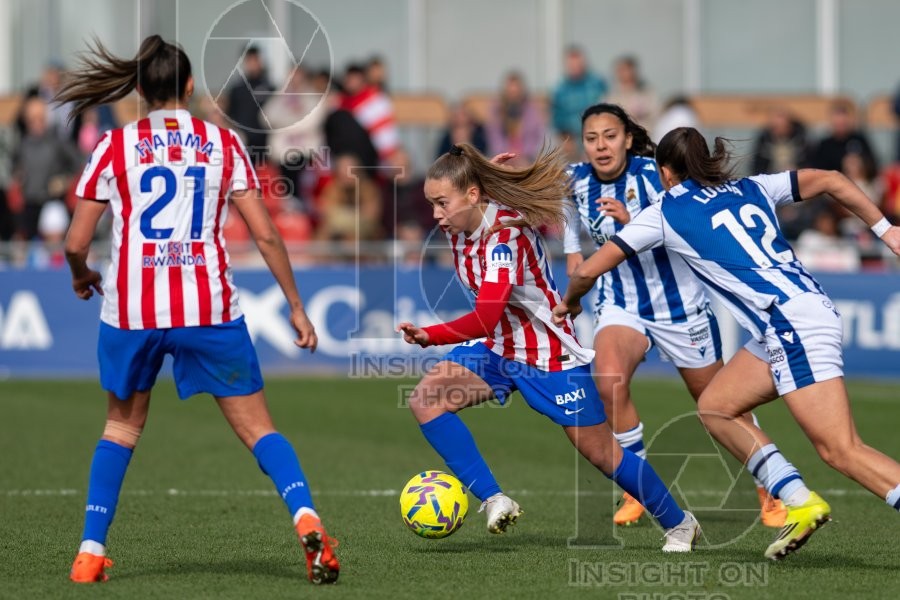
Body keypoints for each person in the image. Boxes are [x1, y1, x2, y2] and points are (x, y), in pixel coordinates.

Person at [56, 35, 339, 584]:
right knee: (260, 430)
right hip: (207, 306)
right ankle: (306, 517)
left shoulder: (113, 146)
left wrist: (81, 275)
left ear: (140, 90)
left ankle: (90, 552)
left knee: (120, 429)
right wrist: (296, 307)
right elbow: (266, 235)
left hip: (132, 311)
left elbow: (74, 242)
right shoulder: (223, 143)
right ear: (189, 86)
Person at [554, 126, 900, 560]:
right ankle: (799, 500)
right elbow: (831, 178)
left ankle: (800, 500)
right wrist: (887, 230)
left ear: (665, 172)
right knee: (716, 407)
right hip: (795, 316)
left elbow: (588, 270)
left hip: (790, 324)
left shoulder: (665, 211)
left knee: (841, 450)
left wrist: (570, 302)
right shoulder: (753, 187)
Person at [395, 142, 701, 552]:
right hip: (499, 350)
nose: (435, 215)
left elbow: (485, 317)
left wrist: (430, 335)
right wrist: (483, 177)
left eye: (441, 203)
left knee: (603, 454)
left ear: (471, 196)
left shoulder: (503, 239)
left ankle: (679, 523)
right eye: (431, 203)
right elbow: (491, 323)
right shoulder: (463, 219)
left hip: (549, 357)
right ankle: (493, 498)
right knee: (426, 399)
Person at [564, 103, 785, 528]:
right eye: (592, 138)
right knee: (608, 382)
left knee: (720, 404)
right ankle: (637, 487)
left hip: (680, 307)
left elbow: (688, 228)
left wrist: (633, 223)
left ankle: (770, 486)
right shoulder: (575, 180)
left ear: (628, 139)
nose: (601, 146)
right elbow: (563, 211)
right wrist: (572, 252)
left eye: (610, 136)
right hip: (621, 302)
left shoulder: (656, 174)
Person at [551, 45, 607, 142]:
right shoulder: (560, 90)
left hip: (597, 135)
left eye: (578, 64)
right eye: (572, 65)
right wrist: (566, 137)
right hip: (571, 139)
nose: (575, 67)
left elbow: (607, 108)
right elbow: (557, 119)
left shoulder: (597, 84)